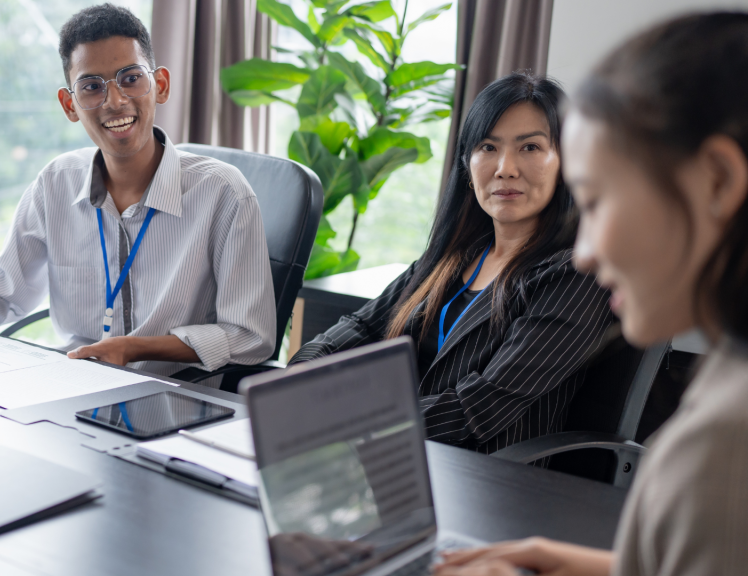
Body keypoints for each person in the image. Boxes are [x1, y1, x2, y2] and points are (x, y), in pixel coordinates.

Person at [436, 12, 748, 576]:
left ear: (718, 182)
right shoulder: (728, 376)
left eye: (598, 201)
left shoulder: (727, 441)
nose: (584, 254)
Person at [0, 3, 275, 378]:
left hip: (177, 401)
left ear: (159, 84)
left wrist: (136, 348)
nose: (114, 100)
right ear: (70, 104)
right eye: (92, 86)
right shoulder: (56, 183)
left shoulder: (224, 193)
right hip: (73, 389)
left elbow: (250, 336)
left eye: (130, 78)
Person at [289, 73, 614, 456]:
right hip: (397, 453)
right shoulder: (453, 256)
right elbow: (360, 327)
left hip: (483, 476)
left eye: (530, 147)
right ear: (467, 164)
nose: (505, 168)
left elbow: (481, 406)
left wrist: (353, 420)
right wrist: (298, 379)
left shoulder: (575, 274)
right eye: (488, 147)